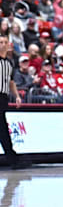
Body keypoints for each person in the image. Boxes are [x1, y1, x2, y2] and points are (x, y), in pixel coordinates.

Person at [0, 35, 27, 169]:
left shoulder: (9, 63)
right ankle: (12, 158)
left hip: (3, 97)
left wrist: (16, 95)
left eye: (5, 42)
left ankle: (12, 158)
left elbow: (11, 82)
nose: (3, 44)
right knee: (2, 129)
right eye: (1, 42)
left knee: (3, 128)